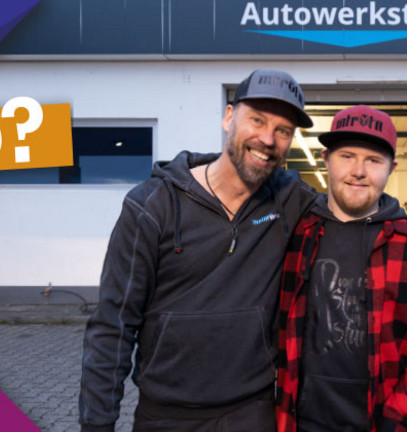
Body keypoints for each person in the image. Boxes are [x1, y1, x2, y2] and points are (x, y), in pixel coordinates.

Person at [79, 69, 317, 432]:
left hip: (253, 412)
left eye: (283, 130)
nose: (267, 138)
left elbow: (350, 207)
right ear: (228, 118)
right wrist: (97, 424)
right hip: (167, 415)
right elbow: (113, 324)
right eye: (257, 120)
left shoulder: (289, 200)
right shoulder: (152, 206)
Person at [276, 105, 407, 432]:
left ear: (392, 168)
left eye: (373, 160)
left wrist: (396, 419)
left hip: (381, 422)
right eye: (347, 156)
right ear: (326, 159)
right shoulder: (295, 232)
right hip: (301, 420)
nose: (358, 170)